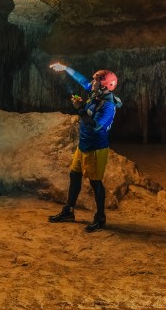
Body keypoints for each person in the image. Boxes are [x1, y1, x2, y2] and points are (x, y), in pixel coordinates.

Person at [48, 63, 122, 232]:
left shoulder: (108, 106)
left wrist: (80, 108)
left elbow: (96, 126)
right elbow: (81, 80)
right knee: (74, 176)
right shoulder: (95, 94)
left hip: (96, 149)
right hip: (83, 145)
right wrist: (65, 68)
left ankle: (100, 217)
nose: (91, 82)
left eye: (95, 80)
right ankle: (69, 211)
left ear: (104, 85)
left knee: (96, 183)